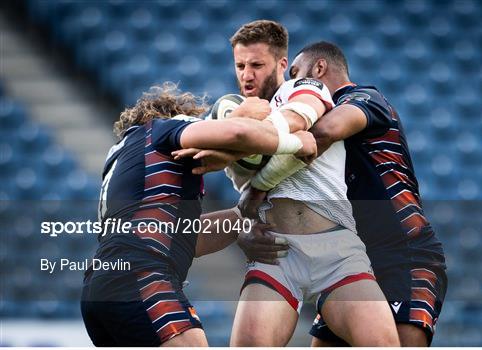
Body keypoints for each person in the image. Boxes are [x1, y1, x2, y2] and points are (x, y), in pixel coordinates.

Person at [177, 20, 399, 347]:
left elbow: (298, 121)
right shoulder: (232, 116)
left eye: (256, 65)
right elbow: (245, 197)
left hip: (335, 248)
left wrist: (242, 142)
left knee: (384, 345)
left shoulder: (304, 87)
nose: (246, 75)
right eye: (240, 65)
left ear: (282, 64)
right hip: (276, 255)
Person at [243, 41, 448, 346]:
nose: (292, 84)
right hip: (349, 261)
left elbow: (323, 133)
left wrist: (258, 173)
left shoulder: (364, 98)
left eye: (297, 74)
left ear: (320, 69)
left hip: (402, 254)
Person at [80, 82, 316, 347]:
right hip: (143, 279)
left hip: (99, 291)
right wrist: (293, 142)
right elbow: (236, 132)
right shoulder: (162, 128)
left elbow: (186, 238)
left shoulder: (125, 161)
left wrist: (242, 216)